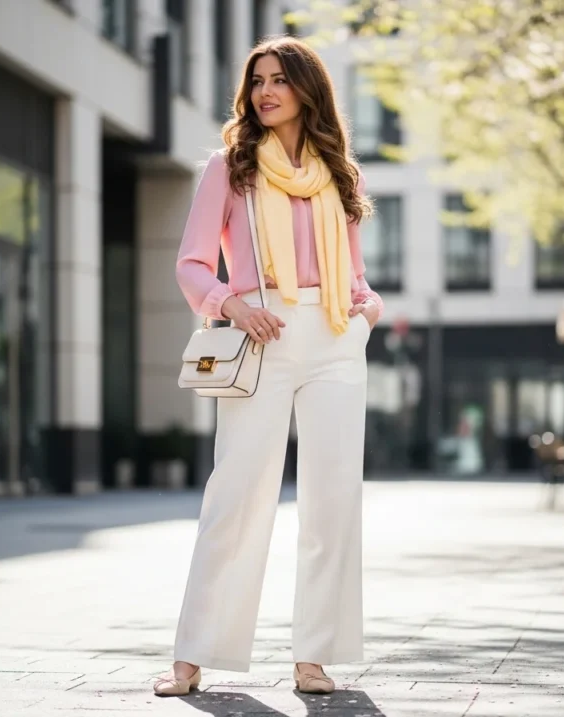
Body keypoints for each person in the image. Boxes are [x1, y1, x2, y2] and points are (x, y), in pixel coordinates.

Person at [153, 36, 384, 697]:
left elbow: (358, 274)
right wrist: (230, 303)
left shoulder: (342, 173)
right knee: (238, 495)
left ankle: (315, 655)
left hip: (336, 337)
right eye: (258, 80)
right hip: (262, 336)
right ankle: (193, 654)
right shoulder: (230, 169)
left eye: (280, 79)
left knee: (333, 500)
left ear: (308, 88)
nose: (265, 91)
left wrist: (366, 311)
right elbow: (192, 263)